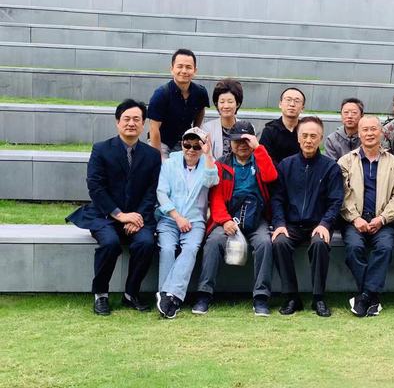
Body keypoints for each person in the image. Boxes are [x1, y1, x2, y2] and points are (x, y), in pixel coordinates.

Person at [66, 99, 161, 316]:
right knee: (109, 243)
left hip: (138, 215)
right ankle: (101, 294)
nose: (131, 123)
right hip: (105, 215)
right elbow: (95, 187)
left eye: (136, 119)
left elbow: (152, 190)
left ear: (143, 124)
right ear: (118, 122)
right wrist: (120, 215)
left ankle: (131, 294)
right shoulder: (101, 149)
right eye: (126, 119)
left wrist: (137, 217)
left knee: (146, 243)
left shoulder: (152, 155)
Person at [192, 121, 278, 317]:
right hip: (228, 216)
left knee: (265, 243)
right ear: (230, 142)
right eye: (237, 141)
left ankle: (261, 297)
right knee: (213, 241)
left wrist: (259, 148)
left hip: (256, 217)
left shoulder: (261, 158)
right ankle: (204, 294)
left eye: (246, 140)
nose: (241, 145)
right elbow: (216, 198)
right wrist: (224, 220)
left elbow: (271, 177)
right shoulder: (221, 164)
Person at [271, 116, 344, 317]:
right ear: (298, 137)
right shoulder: (286, 165)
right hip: (291, 224)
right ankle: (291, 297)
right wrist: (279, 223)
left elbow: (336, 200)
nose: (309, 140)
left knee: (320, 243)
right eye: (304, 135)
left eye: (313, 136)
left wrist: (325, 223)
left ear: (321, 138)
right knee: (279, 242)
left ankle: (318, 298)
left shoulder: (330, 167)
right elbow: (277, 199)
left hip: (318, 223)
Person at [338, 115, 394, 317]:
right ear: (359, 134)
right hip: (354, 220)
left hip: (385, 221)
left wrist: (382, 219)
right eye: (365, 130)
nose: (369, 133)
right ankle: (372, 297)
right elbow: (342, 195)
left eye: (373, 129)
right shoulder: (346, 161)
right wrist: (355, 218)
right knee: (354, 248)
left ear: (381, 132)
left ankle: (365, 296)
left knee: (384, 248)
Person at [155, 127, 219, 319]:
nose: (191, 149)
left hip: (195, 221)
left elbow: (212, 181)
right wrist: (177, 217)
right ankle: (168, 295)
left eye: (196, 146)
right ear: (182, 144)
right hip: (169, 218)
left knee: (190, 249)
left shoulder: (209, 163)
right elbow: (161, 193)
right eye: (187, 144)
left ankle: (170, 295)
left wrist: (208, 155)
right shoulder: (169, 163)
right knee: (167, 249)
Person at [148, 48, 210, 159]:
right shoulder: (161, 94)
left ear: (195, 70)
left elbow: (201, 110)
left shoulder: (200, 92)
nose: (184, 71)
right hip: (161, 141)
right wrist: (157, 157)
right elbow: (154, 129)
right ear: (172, 69)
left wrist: (195, 131)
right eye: (180, 66)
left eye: (188, 67)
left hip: (185, 141)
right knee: (163, 167)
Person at [202, 78, 253, 159]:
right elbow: (206, 157)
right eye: (222, 102)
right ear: (217, 104)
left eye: (230, 102)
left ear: (237, 104)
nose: (226, 106)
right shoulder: (207, 129)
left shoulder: (247, 127)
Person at [259, 87, 306, 164]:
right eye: (288, 100)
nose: (292, 104)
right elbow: (265, 160)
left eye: (297, 101)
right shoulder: (270, 131)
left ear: (302, 108)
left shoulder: (306, 130)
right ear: (280, 104)